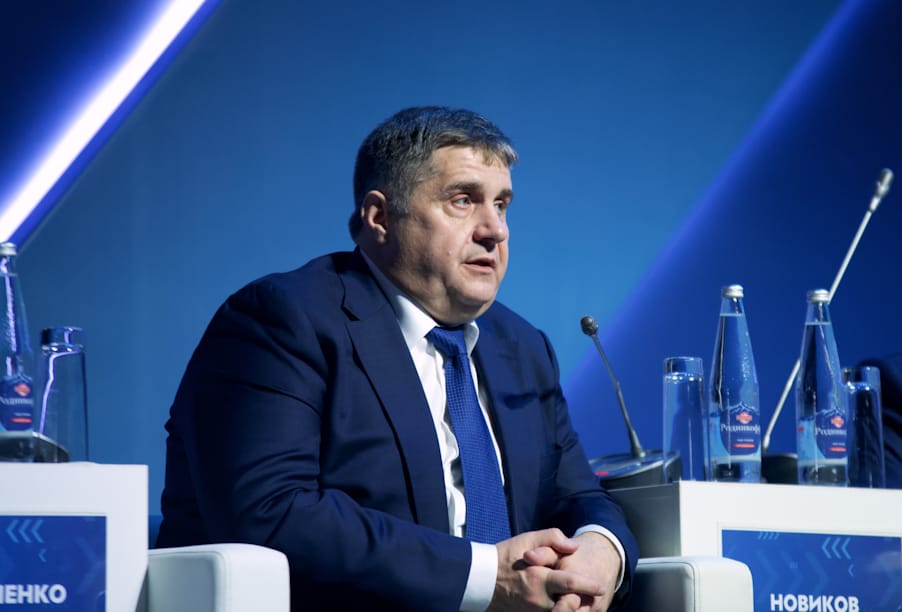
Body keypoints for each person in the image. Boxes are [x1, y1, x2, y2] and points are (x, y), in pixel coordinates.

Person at [157, 106, 639, 611]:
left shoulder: (522, 347)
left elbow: (578, 497)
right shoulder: (282, 321)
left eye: (501, 205)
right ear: (380, 217)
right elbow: (270, 512)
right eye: (463, 200)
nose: (494, 230)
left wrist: (602, 551)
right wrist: (487, 577)